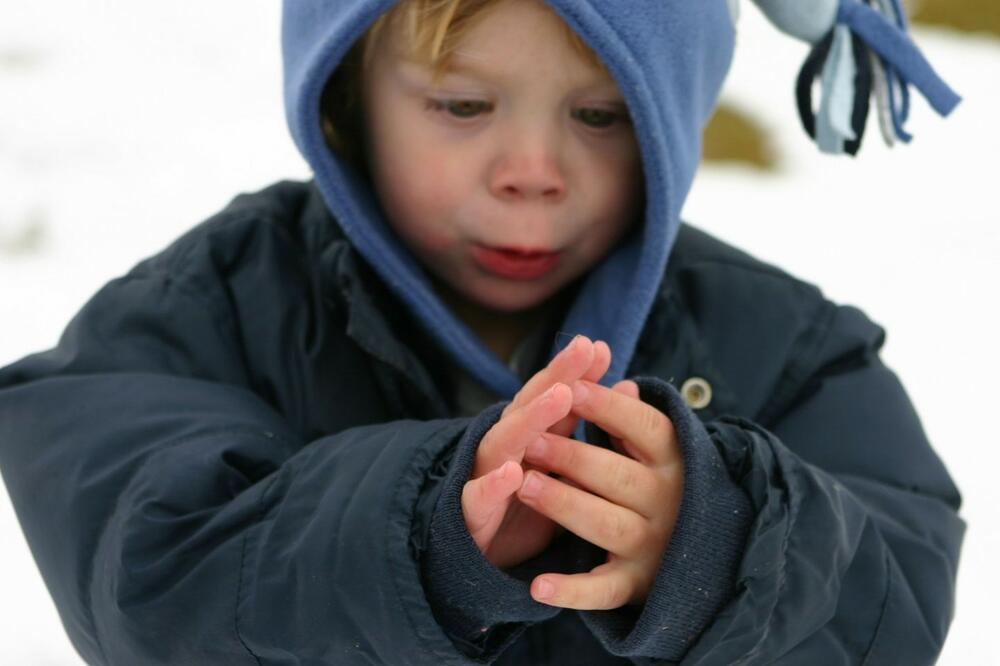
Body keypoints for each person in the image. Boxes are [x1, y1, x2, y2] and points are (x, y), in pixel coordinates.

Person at [0, 0, 965, 663]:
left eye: (600, 114)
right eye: (462, 105)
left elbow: (896, 589)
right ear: (347, 97)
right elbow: (142, 556)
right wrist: (422, 541)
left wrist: (720, 547)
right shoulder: (217, 306)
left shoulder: (784, 350)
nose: (532, 169)